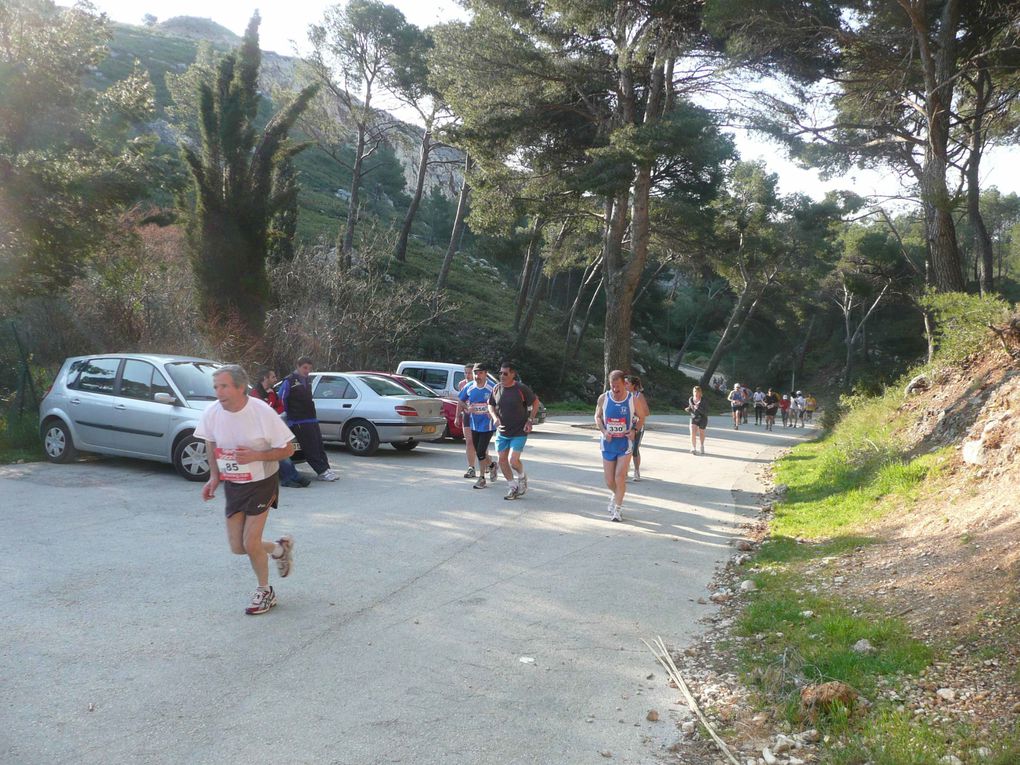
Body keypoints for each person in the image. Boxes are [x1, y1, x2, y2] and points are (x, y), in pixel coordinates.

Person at [195, 365, 297, 616]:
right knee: (237, 547)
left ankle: (265, 591)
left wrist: (256, 455)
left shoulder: (261, 411)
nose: (219, 392)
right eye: (216, 387)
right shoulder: (211, 413)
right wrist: (214, 477)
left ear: (241, 388)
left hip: (262, 481)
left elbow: (289, 449)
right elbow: (211, 442)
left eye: (225, 386)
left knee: (250, 542)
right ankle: (279, 548)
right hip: (234, 483)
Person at [279, 357, 338, 482]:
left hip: (311, 418)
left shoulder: (307, 380)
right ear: (298, 366)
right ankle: (321, 471)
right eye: (305, 368)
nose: (307, 371)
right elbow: (282, 400)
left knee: (318, 446)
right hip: (299, 421)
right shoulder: (289, 381)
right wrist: (290, 417)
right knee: (310, 447)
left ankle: (326, 468)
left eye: (309, 369)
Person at [488, 361, 540, 501]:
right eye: (500, 373)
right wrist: (494, 418)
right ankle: (512, 487)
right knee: (502, 460)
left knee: (513, 461)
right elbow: (490, 405)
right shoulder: (496, 389)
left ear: (513, 374)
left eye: (505, 373)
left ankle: (522, 477)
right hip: (502, 431)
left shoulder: (521, 388)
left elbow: (535, 402)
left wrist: (530, 420)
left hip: (519, 431)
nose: (502, 376)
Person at [251, 369, 310, 488]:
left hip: (270, 429)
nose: (275, 379)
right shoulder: (254, 394)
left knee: (282, 452)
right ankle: (290, 477)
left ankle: (292, 476)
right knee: (280, 452)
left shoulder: (271, 392)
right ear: (265, 378)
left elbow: (279, 406)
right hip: (258, 432)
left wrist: (276, 414)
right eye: (272, 377)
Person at [596, 370, 638, 522]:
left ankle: (618, 510)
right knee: (609, 481)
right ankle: (615, 495)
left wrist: (634, 429)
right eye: (612, 386)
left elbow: (642, 416)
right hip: (607, 444)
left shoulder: (632, 399)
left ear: (624, 383)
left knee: (620, 477)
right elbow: (597, 417)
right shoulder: (604, 398)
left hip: (624, 444)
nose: (615, 389)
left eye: (618, 385)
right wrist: (604, 430)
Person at [459, 363, 498, 489]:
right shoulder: (469, 387)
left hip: (487, 425)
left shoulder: (493, 387)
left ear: (486, 373)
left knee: (481, 451)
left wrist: (493, 413)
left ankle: (482, 479)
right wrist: (467, 407)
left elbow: (500, 404)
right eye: (476, 373)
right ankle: (492, 465)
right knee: (479, 452)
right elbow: (461, 401)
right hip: (474, 424)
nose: (477, 376)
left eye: (480, 373)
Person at [624, 374, 650, 481]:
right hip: (625, 425)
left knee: (634, 449)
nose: (624, 385)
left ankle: (636, 470)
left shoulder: (639, 396)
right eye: (623, 383)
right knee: (624, 448)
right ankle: (625, 471)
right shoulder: (623, 395)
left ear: (633, 385)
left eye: (627, 383)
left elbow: (647, 413)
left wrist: (636, 411)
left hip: (637, 425)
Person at [457, 363, 478, 479]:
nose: (467, 375)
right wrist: (456, 416)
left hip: (480, 417)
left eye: (470, 372)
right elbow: (460, 401)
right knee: (469, 442)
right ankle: (471, 468)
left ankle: (490, 464)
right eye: (465, 372)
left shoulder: (482, 384)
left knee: (479, 446)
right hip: (467, 415)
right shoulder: (462, 384)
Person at [686, 385, 708, 455]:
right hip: (694, 417)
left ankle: (701, 446)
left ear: (700, 392)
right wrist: (688, 409)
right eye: (694, 391)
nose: (696, 393)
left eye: (697, 391)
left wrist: (698, 408)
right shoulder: (691, 399)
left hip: (703, 418)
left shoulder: (704, 400)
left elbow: (705, 411)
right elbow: (691, 407)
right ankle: (693, 448)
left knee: (701, 433)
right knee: (693, 433)